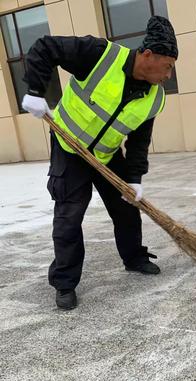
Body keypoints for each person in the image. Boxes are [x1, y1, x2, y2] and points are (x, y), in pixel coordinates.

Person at [21, 16, 178, 310]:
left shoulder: (154, 98)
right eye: (167, 66)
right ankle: (65, 283)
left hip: (105, 155)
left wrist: (134, 179)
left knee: (126, 208)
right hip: (70, 148)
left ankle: (134, 258)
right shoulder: (99, 54)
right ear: (147, 56)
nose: (168, 75)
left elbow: (139, 142)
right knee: (69, 217)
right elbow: (45, 47)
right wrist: (34, 90)